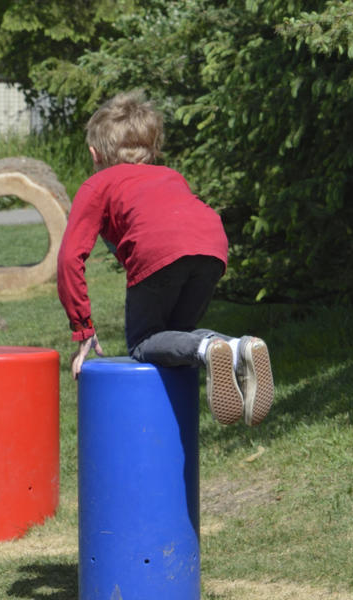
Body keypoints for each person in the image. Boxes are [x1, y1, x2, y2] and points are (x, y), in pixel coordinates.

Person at [56, 91, 275, 426]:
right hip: (212, 247)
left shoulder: (97, 184)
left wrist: (83, 327)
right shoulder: (171, 176)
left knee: (143, 343)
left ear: (94, 154)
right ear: (153, 148)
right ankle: (236, 347)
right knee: (175, 337)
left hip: (160, 250)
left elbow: (70, 258)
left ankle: (210, 349)